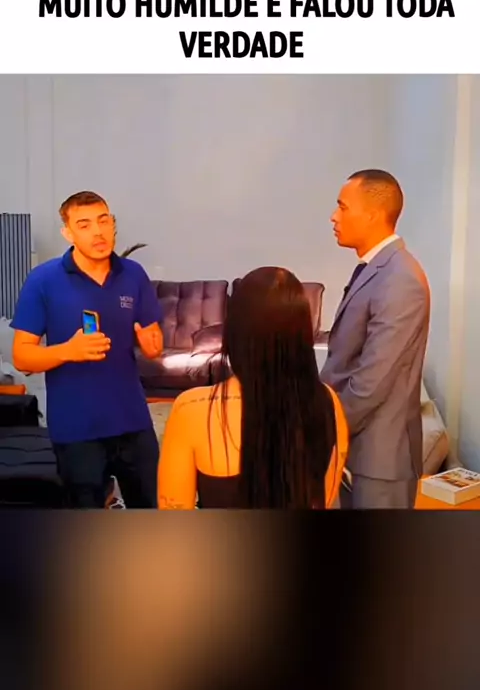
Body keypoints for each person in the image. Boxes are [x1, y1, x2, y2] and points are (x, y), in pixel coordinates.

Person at [10, 190, 164, 508]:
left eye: (103, 221)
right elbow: (22, 357)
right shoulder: (43, 280)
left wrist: (153, 346)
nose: (98, 232)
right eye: (84, 224)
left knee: (150, 513)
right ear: (68, 233)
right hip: (76, 428)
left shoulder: (133, 274)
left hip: (133, 421)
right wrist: (68, 350)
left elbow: (153, 339)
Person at [157, 266, 349, 510]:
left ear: (234, 330)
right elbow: (325, 498)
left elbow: (175, 513)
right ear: (303, 333)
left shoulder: (191, 410)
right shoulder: (329, 402)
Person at [320, 169, 430, 509]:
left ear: (372, 214)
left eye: (342, 207)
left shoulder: (400, 278)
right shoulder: (373, 268)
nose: (334, 216)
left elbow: (372, 380)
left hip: (380, 460)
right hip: (358, 450)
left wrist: (326, 429)